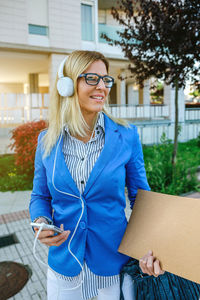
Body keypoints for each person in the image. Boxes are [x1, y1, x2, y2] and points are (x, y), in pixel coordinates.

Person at [29, 50, 164, 300]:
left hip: (114, 264)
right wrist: (40, 221)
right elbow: (40, 195)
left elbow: (142, 200)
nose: (102, 87)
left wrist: (151, 246)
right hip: (65, 265)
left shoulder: (127, 136)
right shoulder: (47, 141)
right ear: (68, 84)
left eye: (105, 80)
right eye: (92, 78)